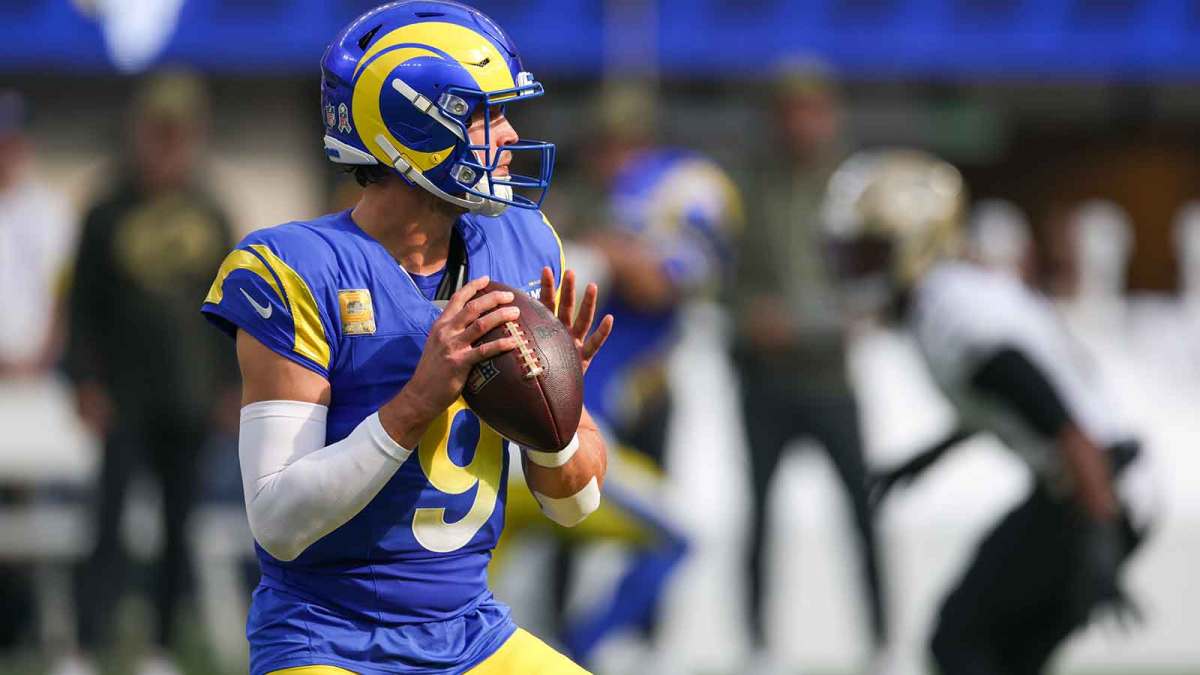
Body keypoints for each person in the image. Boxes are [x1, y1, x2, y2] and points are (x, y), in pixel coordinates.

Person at [199, 3, 612, 673]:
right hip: (330, 639)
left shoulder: (523, 244)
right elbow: (277, 522)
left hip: (470, 634)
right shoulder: (297, 269)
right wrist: (417, 399)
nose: (510, 135)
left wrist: (554, 415)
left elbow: (574, 508)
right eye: (486, 115)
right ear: (413, 126)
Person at [832, 149, 1154, 675]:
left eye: (870, 252)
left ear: (915, 243)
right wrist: (927, 458)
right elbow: (1005, 404)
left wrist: (1100, 538)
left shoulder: (956, 318)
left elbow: (1067, 425)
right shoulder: (952, 301)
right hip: (1096, 485)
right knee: (1003, 654)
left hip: (1097, 488)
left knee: (958, 639)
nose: (855, 269)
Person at [58, 71, 238, 675]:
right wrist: (84, 381)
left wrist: (231, 385)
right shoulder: (106, 211)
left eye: (176, 134)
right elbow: (81, 307)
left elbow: (233, 305)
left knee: (178, 525)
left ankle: (161, 646)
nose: (166, 147)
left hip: (189, 396)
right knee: (107, 523)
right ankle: (86, 645)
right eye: (157, 132)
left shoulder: (211, 212)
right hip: (123, 395)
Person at [732, 61, 889, 667]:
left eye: (812, 110)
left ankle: (882, 641)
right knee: (759, 514)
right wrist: (748, 316)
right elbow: (721, 278)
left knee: (862, 511)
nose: (801, 123)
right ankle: (757, 643)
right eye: (790, 111)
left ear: (830, 115)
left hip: (831, 378)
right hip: (763, 378)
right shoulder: (748, 186)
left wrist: (807, 323)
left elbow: (874, 283)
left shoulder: (853, 189)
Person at [0, 90, 77, 650]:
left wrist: (39, 356)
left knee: (41, 504)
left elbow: (62, 298)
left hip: (36, 380)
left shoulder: (48, 211)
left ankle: (41, 627)